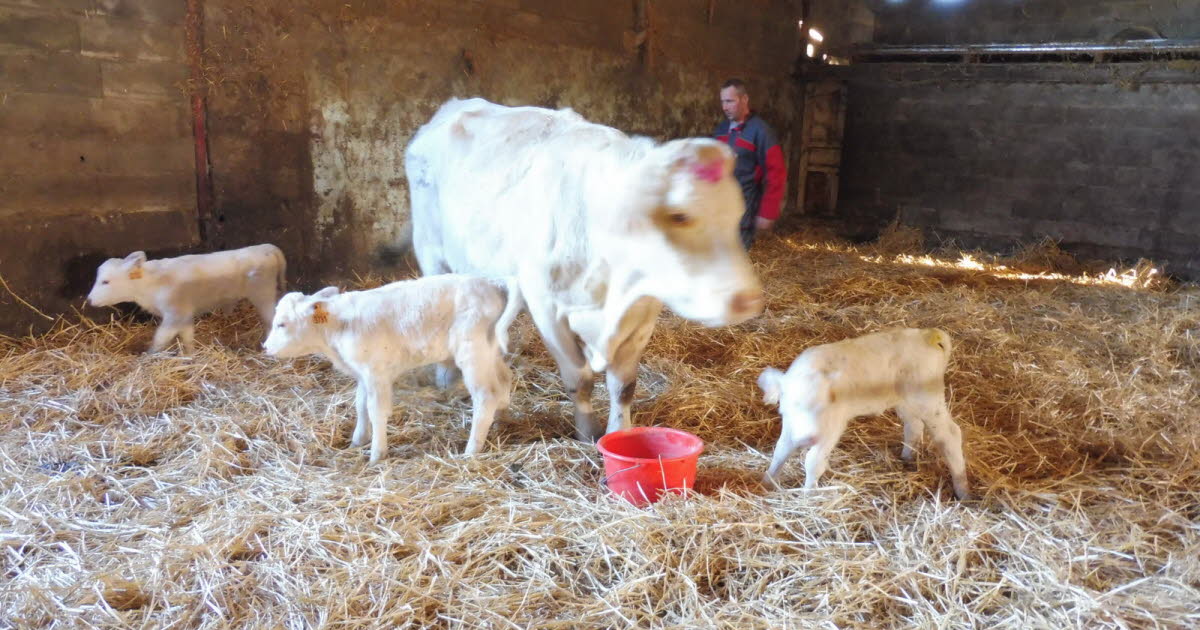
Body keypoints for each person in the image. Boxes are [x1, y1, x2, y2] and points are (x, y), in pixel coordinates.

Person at [714, 79, 787, 249]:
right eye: (723, 101)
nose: (724, 107)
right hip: (718, 211)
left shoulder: (761, 132)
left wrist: (768, 211)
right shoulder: (721, 130)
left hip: (743, 212)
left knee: (735, 260)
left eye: (730, 101)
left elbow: (776, 173)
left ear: (744, 99)